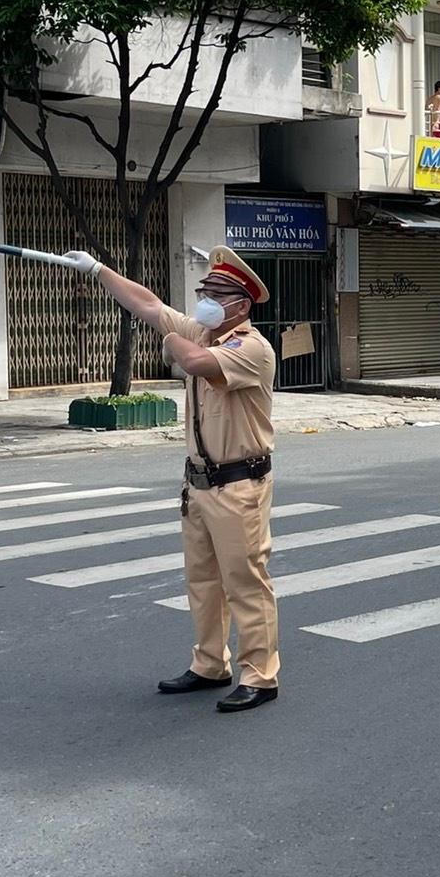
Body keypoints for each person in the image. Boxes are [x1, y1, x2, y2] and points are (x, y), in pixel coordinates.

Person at [63, 245, 280, 714]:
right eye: (204, 292)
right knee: (203, 582)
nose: (205, 301)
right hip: (199, 485)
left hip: (238, 486)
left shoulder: (252, 348)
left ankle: (260, 676)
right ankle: (210, 665)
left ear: (241, 305)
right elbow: (148, 305)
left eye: (216, 295)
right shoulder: (201, 332)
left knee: (246, 583)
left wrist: (172, 342)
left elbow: (195, 362)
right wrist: (99, 270)